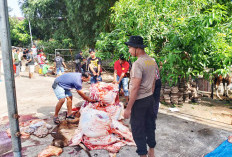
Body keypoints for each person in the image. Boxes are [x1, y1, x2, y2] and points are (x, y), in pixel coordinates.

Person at [124, 36, 158, 157]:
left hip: (139, 102)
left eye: (129, 48)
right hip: (150, 99)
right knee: (150, 125)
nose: (129, 50)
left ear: (137, 48)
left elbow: (135, 87)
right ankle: (151, 152)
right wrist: (150, 95)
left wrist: (128, 108)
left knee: (138, 130)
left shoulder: (138, 63)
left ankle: (143, 154)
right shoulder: (151, 60)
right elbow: (154, 82)